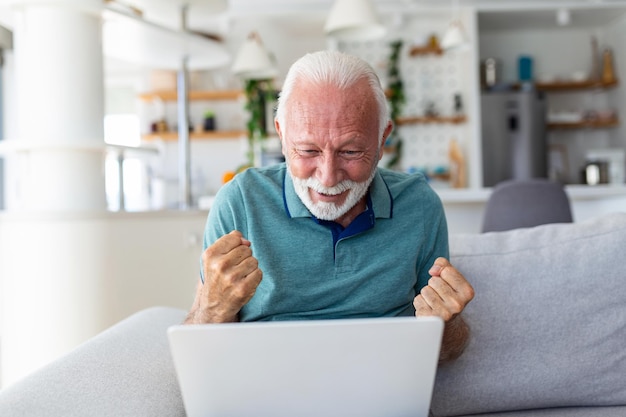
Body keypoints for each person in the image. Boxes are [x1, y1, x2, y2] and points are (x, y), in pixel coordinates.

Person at [185, 50, 475, 363]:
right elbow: (197, 353)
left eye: (350, 152)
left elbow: (447, 353)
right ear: (282, 135)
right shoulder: (239, 202)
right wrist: (212, 311)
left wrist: (447, 323)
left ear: (382, 140)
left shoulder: (419, 205)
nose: (327, 177)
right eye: (308, 150)